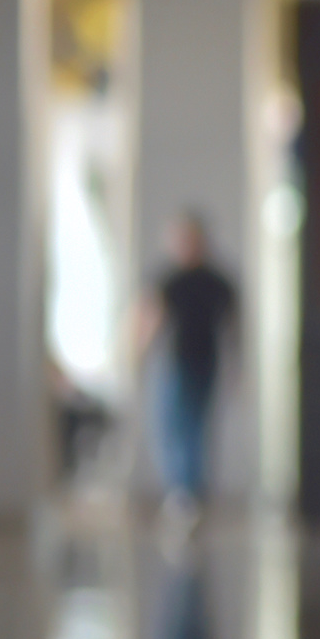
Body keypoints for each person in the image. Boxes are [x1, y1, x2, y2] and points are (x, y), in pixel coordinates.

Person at [137, 212, 238, 509]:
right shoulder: (170, 280)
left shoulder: (216, 282)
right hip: (175, 361)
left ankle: (188, 490)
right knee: (174, 427)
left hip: (201, 362)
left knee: (191, 427)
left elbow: (232, 327)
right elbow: (151, 319)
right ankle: (184, 490)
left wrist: (237, 365)